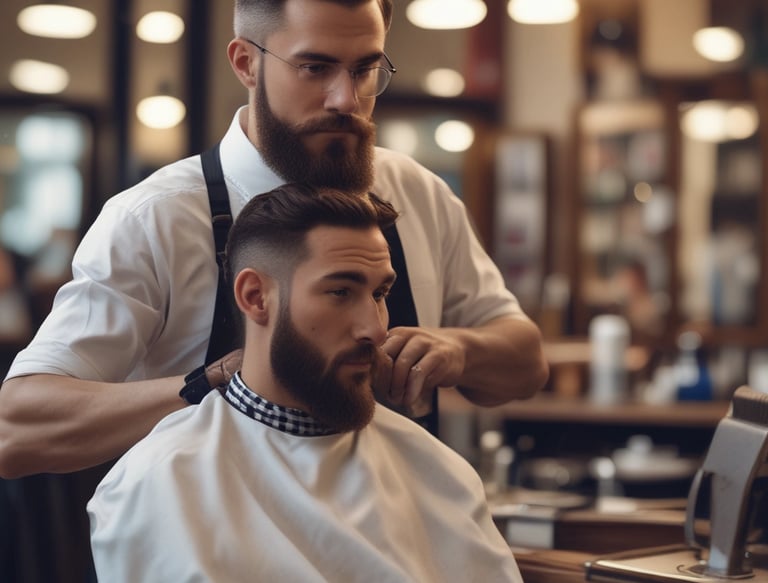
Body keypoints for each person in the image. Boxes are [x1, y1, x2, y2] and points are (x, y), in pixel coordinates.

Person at [0, 0, 547, 478]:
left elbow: (525, 363)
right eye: (315, 67)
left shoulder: (417, 194)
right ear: (246, 62)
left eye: (365, 69)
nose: (345, 99)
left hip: (397, 541)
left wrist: (459, 350)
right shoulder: (156, 217)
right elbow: (18, 427)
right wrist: (213, 385)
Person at [87, 183, 524, 582]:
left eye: (379, 294)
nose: (374, 329)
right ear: (256, 297)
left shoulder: (438, 471)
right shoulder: (161, 482)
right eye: (340, 292)